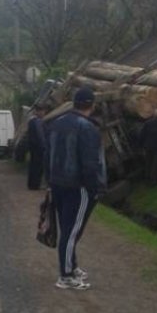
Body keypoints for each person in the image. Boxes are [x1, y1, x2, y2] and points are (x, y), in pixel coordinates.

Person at [45, 87, 107, 290]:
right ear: (92, 104)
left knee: (67, 228)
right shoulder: (88, 128)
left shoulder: (56, 123)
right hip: (77, 186)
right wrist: (95, 187)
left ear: (74, 103)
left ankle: (72, 265)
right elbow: (90, 163)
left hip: (58, 183)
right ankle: (66, 275)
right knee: (71, 232)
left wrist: (49, 181)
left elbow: (49, 155)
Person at [26, 104, 47, 190]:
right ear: (39, 111)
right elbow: (40, 135)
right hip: (38, 147)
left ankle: (31, 184)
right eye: (42, 111)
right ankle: (36, 185)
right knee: (38, 166)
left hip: (32, 146)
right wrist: (44, 146)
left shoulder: (31, 121)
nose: (44, 113)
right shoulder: (38, 121)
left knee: (33, 165)